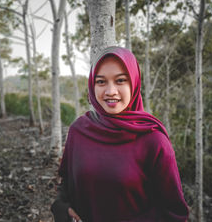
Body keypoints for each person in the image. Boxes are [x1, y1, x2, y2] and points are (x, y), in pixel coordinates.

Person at [51, 46, 189, 222]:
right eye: (101, 82)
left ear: (134, 83)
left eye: (120, 80)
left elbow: (174, 213)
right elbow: (67, 187)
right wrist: (64, 209)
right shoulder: (79, 131)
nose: (110, 91)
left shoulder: (153, 140)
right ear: (92, 86)